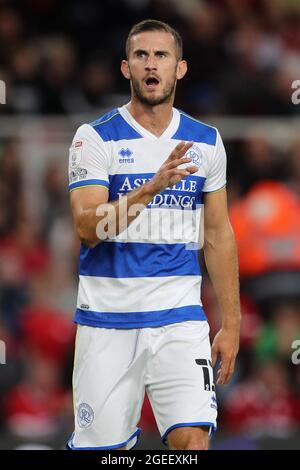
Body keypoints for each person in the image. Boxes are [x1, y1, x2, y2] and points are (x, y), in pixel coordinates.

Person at [67, 19, 241, 451]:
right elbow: (88, 229)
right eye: (141, 56)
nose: (151, 65)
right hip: (107, 323)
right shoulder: (94, 138)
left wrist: (232, 323)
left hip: (180, 319)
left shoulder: (206, 141)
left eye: (161, 55)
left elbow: (218, 234)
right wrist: (149, 189)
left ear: (179, 68)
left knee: (192, 442)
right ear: (126, 68)